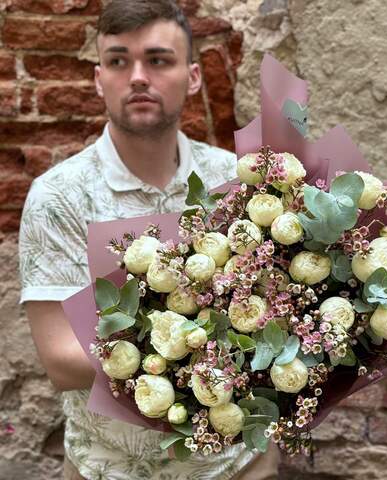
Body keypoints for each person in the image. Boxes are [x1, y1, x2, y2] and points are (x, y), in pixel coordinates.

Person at [18, 1, 280, 479]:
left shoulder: (233, 180)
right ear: (99, 80)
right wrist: (209, 350)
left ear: (194, 77)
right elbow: (61, 359)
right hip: (110, 469)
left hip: (238, 466)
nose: (138, 76)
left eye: (158, 60)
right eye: (119, 61)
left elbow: (278, 310)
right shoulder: (59, 196)